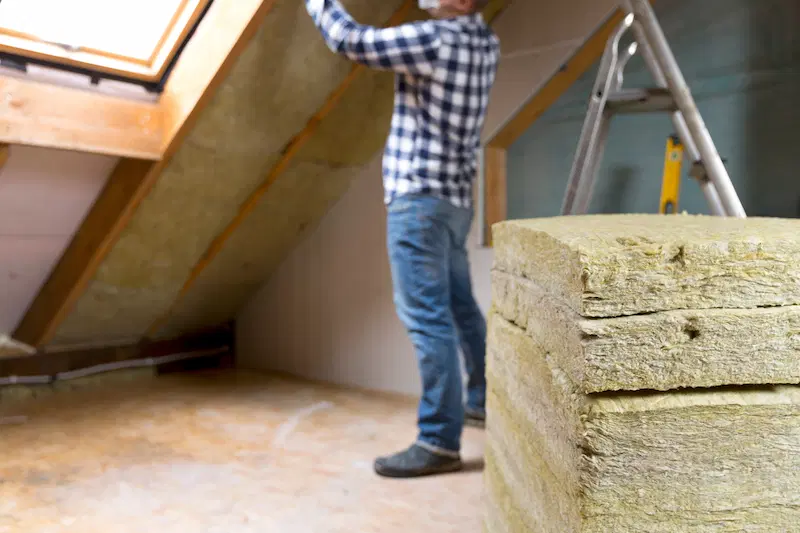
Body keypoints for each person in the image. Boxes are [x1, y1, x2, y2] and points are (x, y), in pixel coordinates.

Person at [303, 0, 500, 478]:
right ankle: (479, 401)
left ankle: (438, 441)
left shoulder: (435, 39)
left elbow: (353, 42)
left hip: (418, 202)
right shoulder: (485, 42)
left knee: (428, 320)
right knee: (459, 309)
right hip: (454, 202)